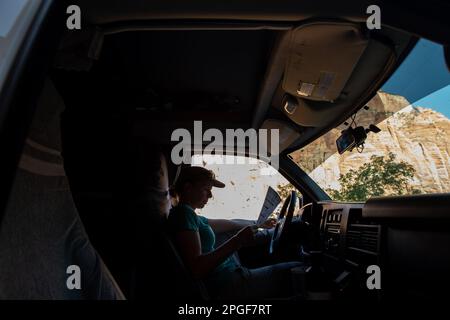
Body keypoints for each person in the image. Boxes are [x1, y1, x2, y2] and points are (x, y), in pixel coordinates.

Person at [168, 166, 302, 300]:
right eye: (206, 190)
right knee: (299, 270)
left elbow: (229, 224)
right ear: (188, 188)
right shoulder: (184, 214)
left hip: (232, 275)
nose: (210, 195)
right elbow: (197, 269)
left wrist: (258, 224)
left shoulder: (192, 216)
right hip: (227, 285)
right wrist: (238, 240)